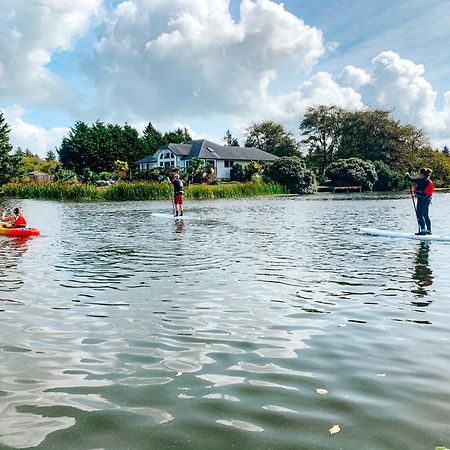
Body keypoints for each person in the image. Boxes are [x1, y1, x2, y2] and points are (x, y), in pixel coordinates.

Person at [406, 168, 434, 235]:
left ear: (422, 174)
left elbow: (410, 179)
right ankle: (429, 230)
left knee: (419, 214)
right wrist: (415, 194)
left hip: (422, 200)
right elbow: (421, 190)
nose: (419, 175)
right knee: (425, 215)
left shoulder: (421, 180)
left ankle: (423, 230)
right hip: (427, 200)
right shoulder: (428, 181)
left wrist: (407, 174)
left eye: (419, 174)